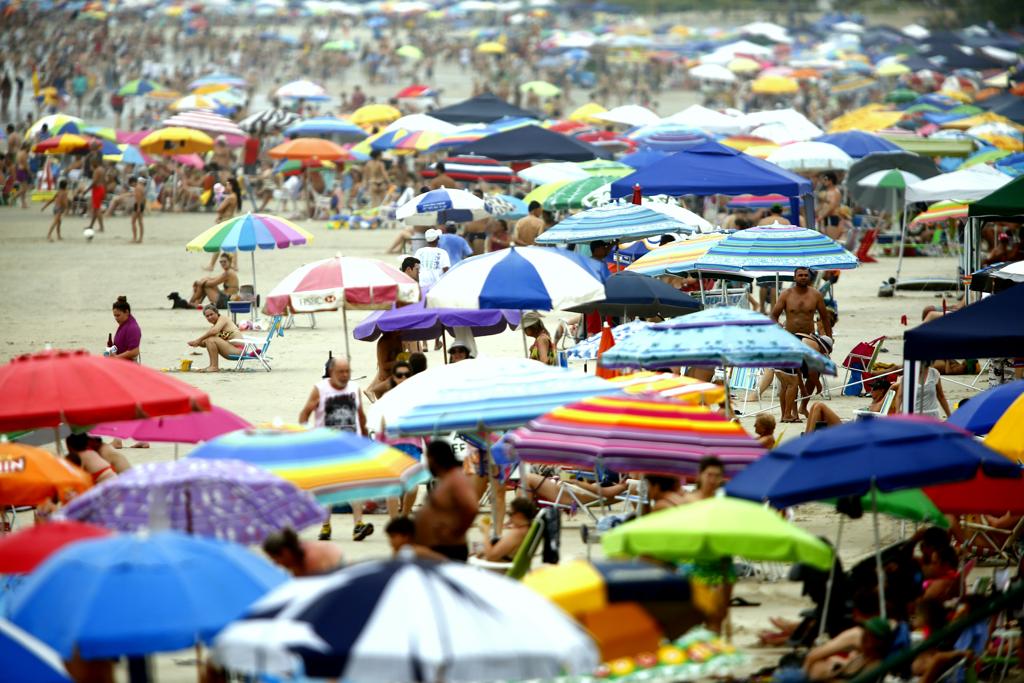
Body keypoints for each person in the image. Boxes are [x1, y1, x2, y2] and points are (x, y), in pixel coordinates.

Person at [298, 356, 374, 541]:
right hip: (326, 447)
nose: (345, 375)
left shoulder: (354, 389)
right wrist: (305, 435)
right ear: (331, 372)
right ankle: (325, 526)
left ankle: (358, 525)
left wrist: (365, 440)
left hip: (351, 445)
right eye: (341, 371)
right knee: (328, 487)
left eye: (348, 371)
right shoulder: (320, 389)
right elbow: (305, 414)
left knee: (355, 486)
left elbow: (361, 416)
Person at [771, 267, 833, 423]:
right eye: (800, 275)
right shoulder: (786, 294)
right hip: (791, 338)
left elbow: (824, 318)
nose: (803, 277)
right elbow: (773, 315)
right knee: (791, 376)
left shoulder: (815, 295)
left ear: (809, 277)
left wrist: (829, 339)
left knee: (814, 373)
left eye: (806, 275)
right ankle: (791, 413)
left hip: (809, 338)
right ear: (795, 277)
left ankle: (803, 405)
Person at [415, 440, 479, 561]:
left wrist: (456, 532)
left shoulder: (456, 478)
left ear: (434, 458)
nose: (427, 463)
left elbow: (471, 507)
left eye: (427, 458)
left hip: (449, 548)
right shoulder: (445, 479)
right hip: (437, 546)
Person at [804, 616, 896, 681]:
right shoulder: (862, 656)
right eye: (865, 634)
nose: (863, 637)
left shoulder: (875, 665)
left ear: (877, 642)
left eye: (868, 636)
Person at [805, 378, 896, 433]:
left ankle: (807, 440)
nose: (871, 391)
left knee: (819, 406)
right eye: (871, 389)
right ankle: (807, 436)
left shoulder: (882, 404)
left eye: (874, 389)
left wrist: (890, 389)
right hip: (850, 425)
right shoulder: (876, 402)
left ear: (881, 391)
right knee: (815, 405)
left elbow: (875, 410)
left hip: (850, 431)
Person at [262, 527, 342, 576]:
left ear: (285, 552)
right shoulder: (295, 557)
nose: (275, 563)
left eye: (274, 558)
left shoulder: (312, 559)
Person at [477, 496, 536, 562]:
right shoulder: (528, 528)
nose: (509, 518)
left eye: (510, 514)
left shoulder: (517, 533)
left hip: (499, 569)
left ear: (519, 515)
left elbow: (491, 557)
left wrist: (486, 532)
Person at [187, 304, 243, 373]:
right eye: (207, 316)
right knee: (209, 339)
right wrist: (195, 343)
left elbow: (214, 331)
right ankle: (212, 366)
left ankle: (214, 366)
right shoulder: (214, 327)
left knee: (211, 339)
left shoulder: (223, 318)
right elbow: (205, 343)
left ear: (217, 313)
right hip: (230, 351)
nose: (210, 317)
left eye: (211, 314)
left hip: (239, 351)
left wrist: (198, 340)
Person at [110, 296, 141, 362]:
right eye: (114, 316)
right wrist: (110, 347)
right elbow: (117, 348)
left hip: (130, 367)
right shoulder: (123, 325)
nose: (116, 318)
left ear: (127, 312)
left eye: (118, 315)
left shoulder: (132, 328)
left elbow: (134, 351)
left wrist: (116, 357)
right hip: (120, 364)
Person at [86, 159, 106, 233]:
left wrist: (86, 190)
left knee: (97, 210)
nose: (90, 166)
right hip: (101, 188)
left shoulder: (96, 171)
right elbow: (104, 181)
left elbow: (94, 182)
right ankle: (91, 225)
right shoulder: (102, 169)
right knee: (95, 209)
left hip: (97, 190)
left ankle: (101, 227)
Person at [130, 176, 145, 243]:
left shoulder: (137, 188)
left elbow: (138, 197)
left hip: (138, 205)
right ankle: (140, 238)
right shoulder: (141, 186)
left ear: (133, 182)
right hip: (141, 204)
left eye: (131, 184)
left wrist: (138, 207)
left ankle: (134, 238)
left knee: (133, 222)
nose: (132, 186)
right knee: (140, 222)